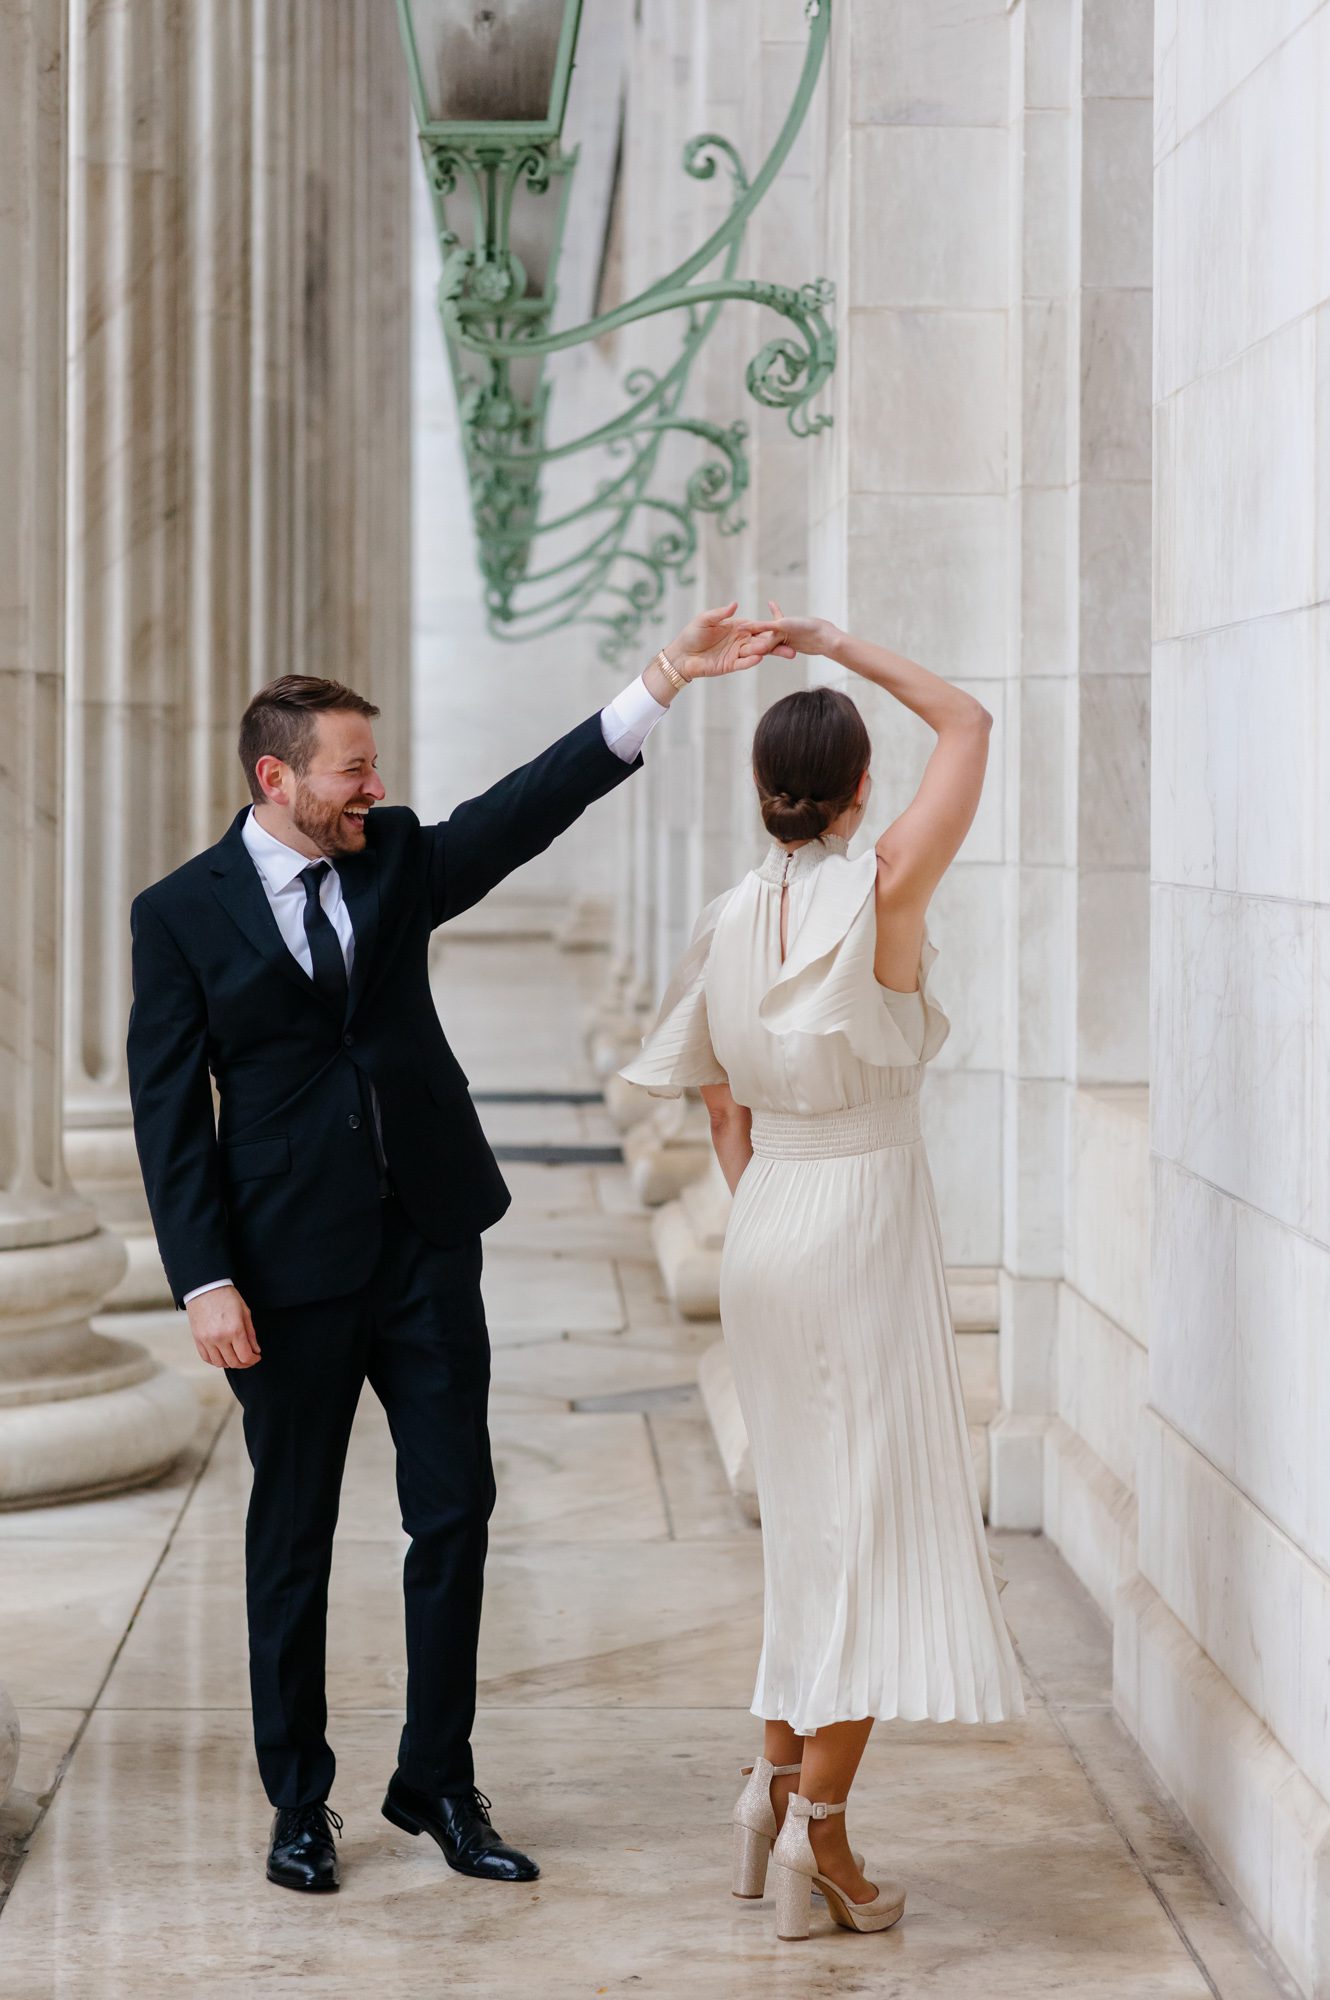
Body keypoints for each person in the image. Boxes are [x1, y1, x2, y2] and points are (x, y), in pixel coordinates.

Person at [126, 604, 774, 1895]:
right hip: (281, 1272)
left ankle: (437, 1780)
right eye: (351, 771)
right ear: (277, 779)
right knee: (292, 1538)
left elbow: (525, 807)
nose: (376, 788)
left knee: (457, 1515)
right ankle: (297, 1801)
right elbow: (166, 1111)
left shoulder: (395, 857)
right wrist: (203, 1280)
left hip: (426, 1242)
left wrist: (656, 684)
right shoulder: (179, 915)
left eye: (375, 768)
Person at [619, 605, 1025, 1943]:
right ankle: (821, 1840)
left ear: (759, 794)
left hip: (772, 1218)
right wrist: (837, 645)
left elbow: (719, 1110)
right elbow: (966, 721)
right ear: (859, 789)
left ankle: (767, 1792)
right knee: (866, 1539)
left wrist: (778, 1208)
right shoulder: (886, 884)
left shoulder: (734, 913)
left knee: (811, 1531)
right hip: (860, 1216)